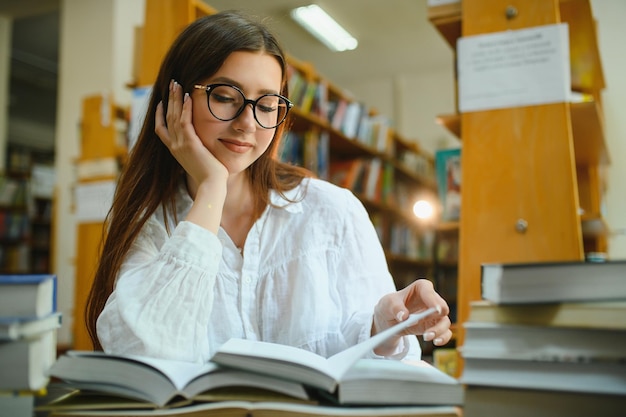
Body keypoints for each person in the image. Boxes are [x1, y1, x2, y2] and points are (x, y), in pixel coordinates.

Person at [85, 10, 452, 364]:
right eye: (225, 97)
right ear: (176, 99)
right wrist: (213, 187)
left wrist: (383, 327)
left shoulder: (332, 210)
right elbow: (143, 354)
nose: (248, 123)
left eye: (267, 104)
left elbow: (369, 356)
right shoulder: (152, 222)